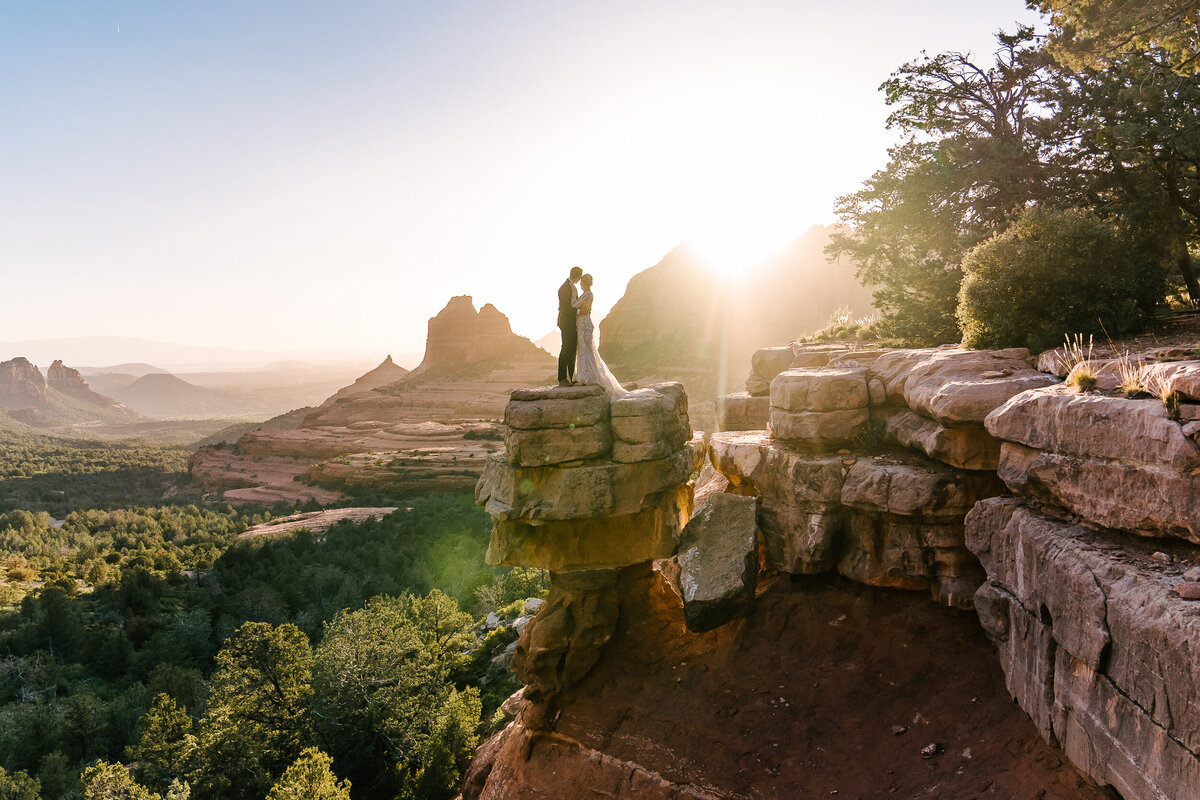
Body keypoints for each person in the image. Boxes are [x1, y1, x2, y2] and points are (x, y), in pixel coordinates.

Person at [572, 273, 626, 398]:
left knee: (585, 349)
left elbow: (575, 306)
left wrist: (574, 303)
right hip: (583, 323)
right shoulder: (588, 294)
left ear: (584, 283)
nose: (580, 284)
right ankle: (585, 375)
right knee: (584, 349)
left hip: (584, 323)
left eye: (581, 283)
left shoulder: (587, 294)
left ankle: (586, 376)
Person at [557, 267, 583, 386]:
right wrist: (579, 311)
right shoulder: (565, 288)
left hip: (571, 322)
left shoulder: (570, 286)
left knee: (572, 349)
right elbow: (565, 308)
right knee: (566, 349)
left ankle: (572, 377)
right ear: (578, 276)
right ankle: (562, 378)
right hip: (567, 322)